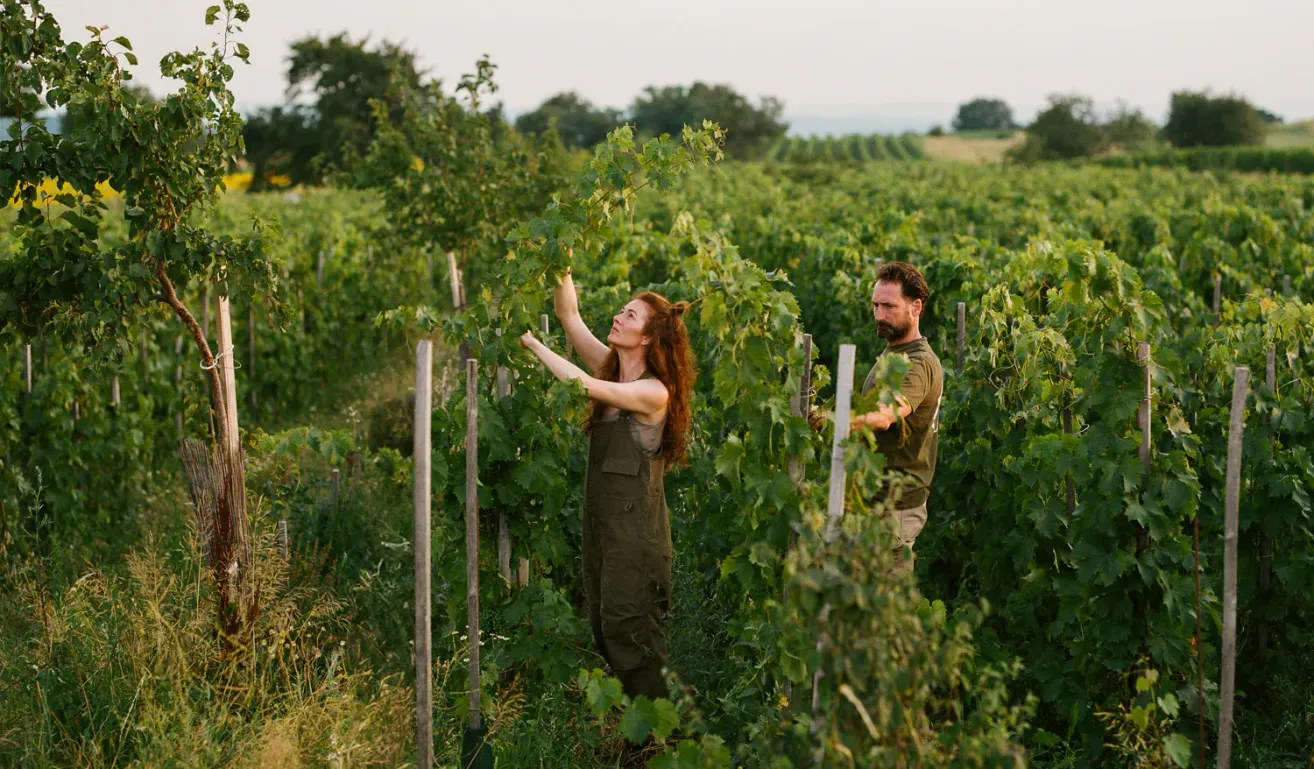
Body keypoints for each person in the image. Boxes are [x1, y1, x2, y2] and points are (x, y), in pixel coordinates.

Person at [518, 267, 694, 700]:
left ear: (649, 338)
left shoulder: (654, 392)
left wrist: (534, 346)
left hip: (637, 538)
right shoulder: (613, 371)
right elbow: (570, 315)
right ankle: (638, 732)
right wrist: (563, 267)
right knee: (603, 625)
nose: (617, 318)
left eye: (629, 316)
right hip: (603, 529)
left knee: (632, 632)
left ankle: (665, 735)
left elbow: (583, 385)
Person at [817, 261, 943, 574]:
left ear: (916, 308)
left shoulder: (919, 363)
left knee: (887, 606)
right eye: (875, 305)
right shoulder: (895, 351)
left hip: (895, 507)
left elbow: (887, 414)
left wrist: (836, 418)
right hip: (877, 499)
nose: (879, 315)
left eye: (889, 306)